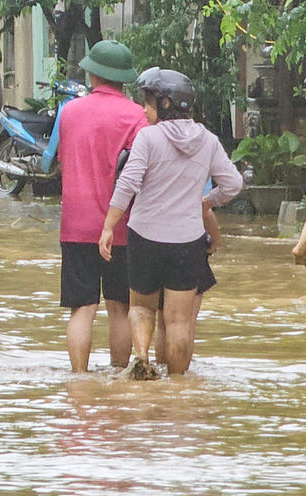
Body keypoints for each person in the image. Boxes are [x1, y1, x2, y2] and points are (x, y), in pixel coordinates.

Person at [99, 69, 243, 377]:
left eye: (148, 103)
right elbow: (233, 183)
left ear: (165, 104)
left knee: (140, 307)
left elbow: (127, 184)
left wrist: (109, 226)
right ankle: (177, 386)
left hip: (144, 237)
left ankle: (140, 356)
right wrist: (207, 201)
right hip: (187, 241)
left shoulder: (148, 138)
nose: (143, 110)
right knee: (178, 321)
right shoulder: (208, 140)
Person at [34, 41, 148, 372]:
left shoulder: (70, 112)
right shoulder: (137, 116)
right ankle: (116, 374)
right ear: (124, 78)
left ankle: (79, 378)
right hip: (123, 227)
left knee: (81, 308)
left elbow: (55, 159)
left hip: (76, 225)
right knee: (120, 306)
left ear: (93, 74)